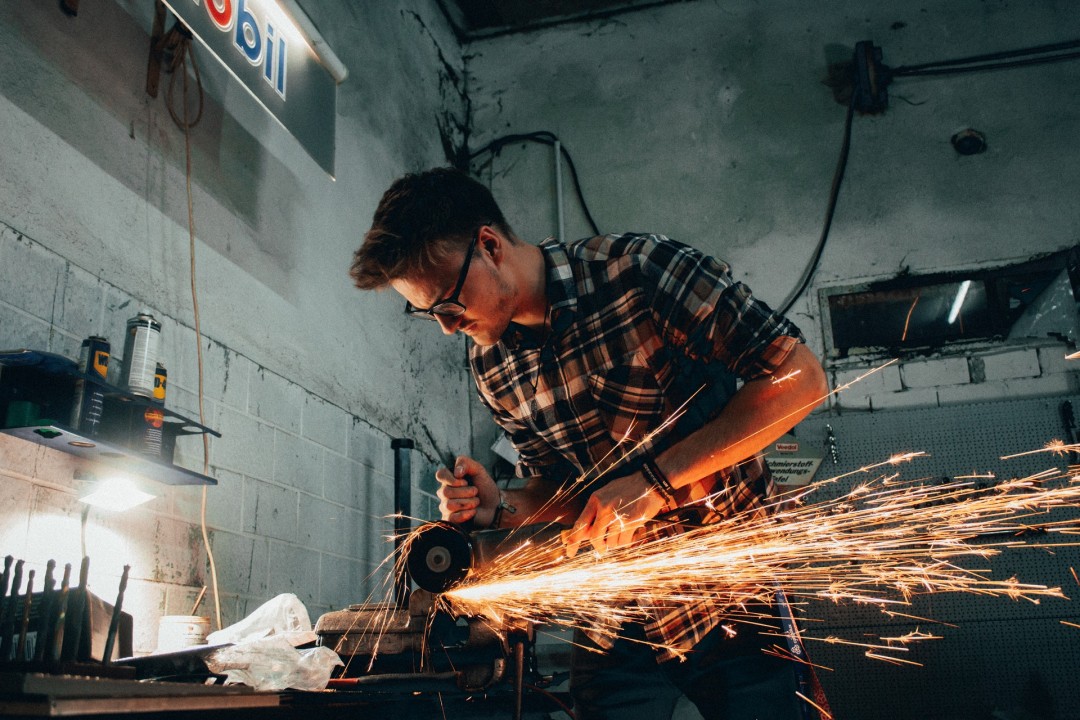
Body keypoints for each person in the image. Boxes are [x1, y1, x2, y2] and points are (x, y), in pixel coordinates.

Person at [350, 167, 830, 720]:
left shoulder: (640, 272)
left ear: (489, 245)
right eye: (428, 313)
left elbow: (801, 378)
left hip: (729, 591)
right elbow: (563, 494)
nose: (448, 327)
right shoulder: (492, 366)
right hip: (616, 605)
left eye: (449, 304)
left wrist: (653, 483)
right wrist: (500, 506)